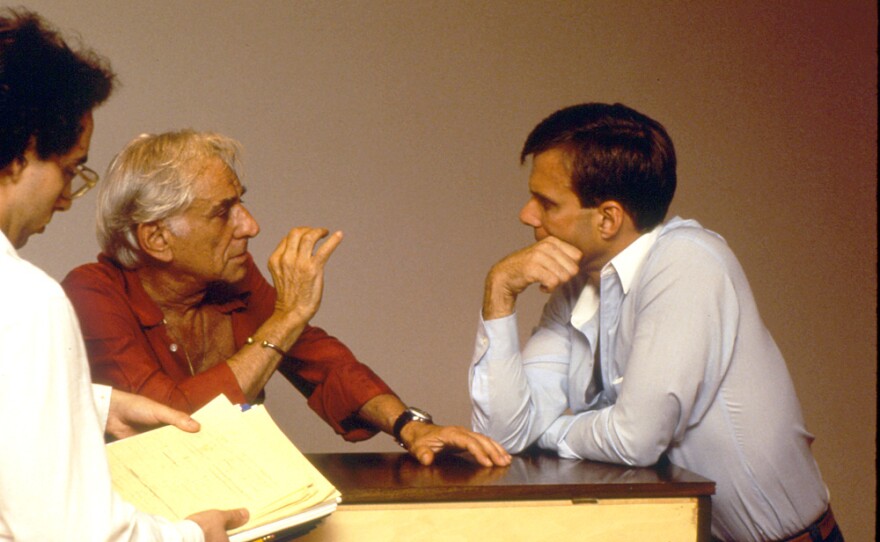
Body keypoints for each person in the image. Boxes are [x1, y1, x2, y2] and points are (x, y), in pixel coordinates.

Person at [469, 102, 842, 541]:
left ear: (608, 218)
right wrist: (501, 290)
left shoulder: (687, 261)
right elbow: (502, 438)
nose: (527, 215)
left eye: (546, 202)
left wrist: (546, 429)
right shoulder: (577, 285)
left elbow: (635, 439)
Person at [62, 129, 511, 468]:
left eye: (241, 204)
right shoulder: (92, 293)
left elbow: (320, 361)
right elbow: (172, 420)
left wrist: (410, 426)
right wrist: (287, 316)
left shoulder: (230, 279)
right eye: (223, 212)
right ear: (157, 238)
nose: (250, 226)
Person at [0, 9, 248, 541]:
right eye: (68, 170)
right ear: (20, 155)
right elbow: (67, 534)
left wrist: (99, 406)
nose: (67, 199)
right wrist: (192, 536)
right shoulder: (26, 302)